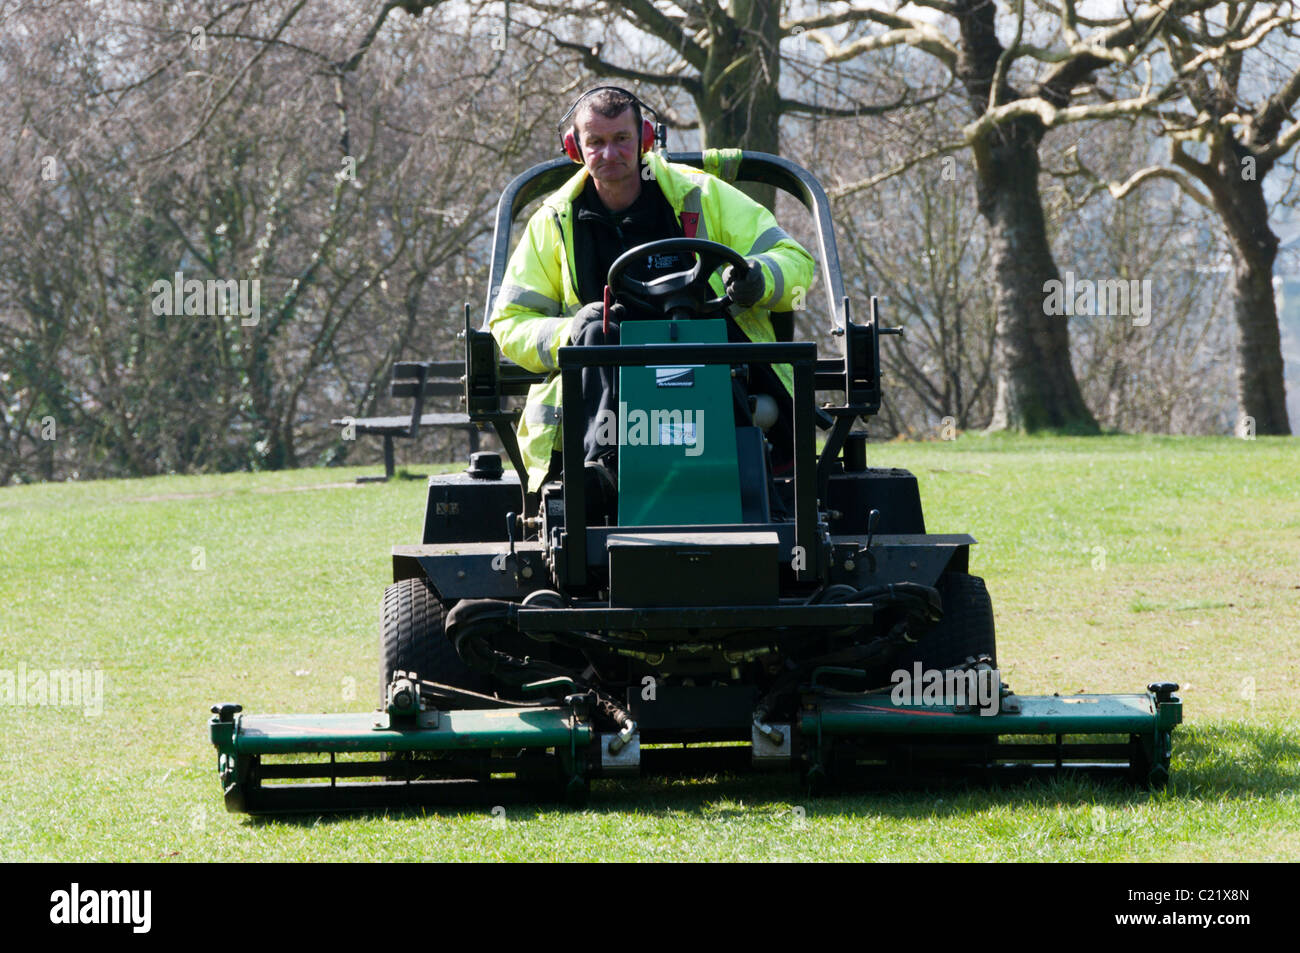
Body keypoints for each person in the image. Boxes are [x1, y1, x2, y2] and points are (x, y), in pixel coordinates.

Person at [489, 86, 815, 496]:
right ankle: (602, 476)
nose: (610, 154)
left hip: (715, 359)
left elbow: (798, 263)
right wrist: (569, 330)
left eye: (622, 139)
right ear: (575, 147)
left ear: (643, 138)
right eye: (597, 142)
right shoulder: (553, 222)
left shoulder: (702, 194)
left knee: (708, 329)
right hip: (609, 377)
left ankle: (747, 481)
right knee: (596, 330)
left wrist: (759, 278)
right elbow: (510, 322)